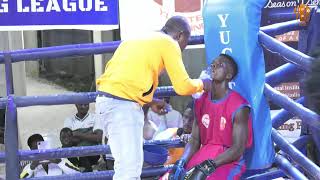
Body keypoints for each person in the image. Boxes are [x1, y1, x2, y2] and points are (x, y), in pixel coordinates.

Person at [95, 15, 211, 180]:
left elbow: (123, 79)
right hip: (122, 107)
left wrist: (151, 101)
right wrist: (204, 83)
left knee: (124, 167)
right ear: (181, 35)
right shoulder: (169, 43)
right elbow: (182, 86)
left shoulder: (138, 38)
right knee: (129, 171)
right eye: (187, 40)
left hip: (106, 102)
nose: (184, 47)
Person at [164, 54, 253, 180]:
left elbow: (237, 149)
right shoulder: (200, 101)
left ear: (228, 75)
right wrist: (181, 162)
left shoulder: (240, 106)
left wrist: (208, 167)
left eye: (220, 65)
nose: (214, 66)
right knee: (170, 177)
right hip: (203, 155)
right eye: (213, 64)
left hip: (227, 161)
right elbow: (195, 140)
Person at [63, 103, 103, 172]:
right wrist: (90, 134)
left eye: (86, 104)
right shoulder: (69, 120)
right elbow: (67, 141)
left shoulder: (95, 117)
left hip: (93, 154)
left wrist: (76, 133)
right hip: (77, 156)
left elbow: (98, 138)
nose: (83, 106)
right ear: (76, 104)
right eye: (81, 104)